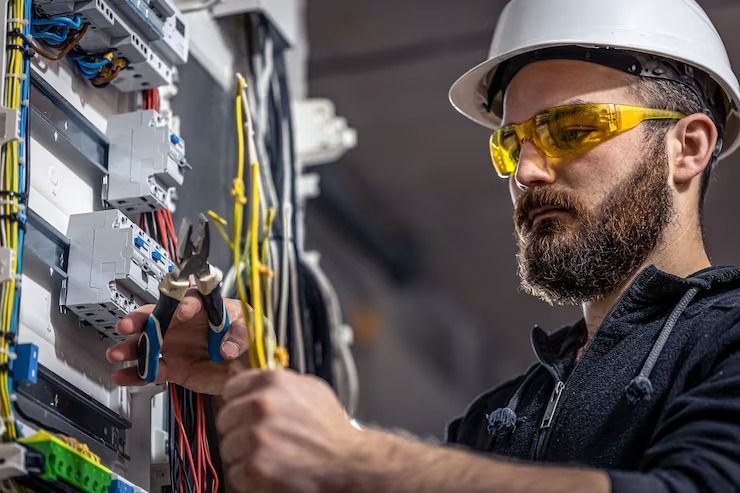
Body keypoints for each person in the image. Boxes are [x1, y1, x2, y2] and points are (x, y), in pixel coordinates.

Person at [106, 0, 740, 491]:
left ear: (687, 148)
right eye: (511, 143)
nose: (527, 171)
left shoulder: (725, 342)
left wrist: (356, 458)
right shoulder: (500, 419)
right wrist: (242, 400)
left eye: (571, 128)